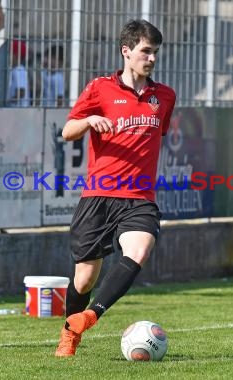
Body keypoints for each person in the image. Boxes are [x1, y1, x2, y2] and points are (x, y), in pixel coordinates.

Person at [54, 19, 176, 357]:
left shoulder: (164, 96)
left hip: (139, 197)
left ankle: (90, 316)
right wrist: (89, 120)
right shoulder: (99, 88)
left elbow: (154, 137)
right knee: (83, 280)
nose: (151, 58)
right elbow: (67, 131)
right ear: (126, 51)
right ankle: (69, 334)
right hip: (99, 197)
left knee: (138, 251)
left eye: (155, 52)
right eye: (145, 51)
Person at [7, 39, 30, 107]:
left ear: (16, 56)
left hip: (20, 110)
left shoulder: (19, 70)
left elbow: (21, 92)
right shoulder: (14, 70)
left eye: (9, 53)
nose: (7, 56)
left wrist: (6, 102)